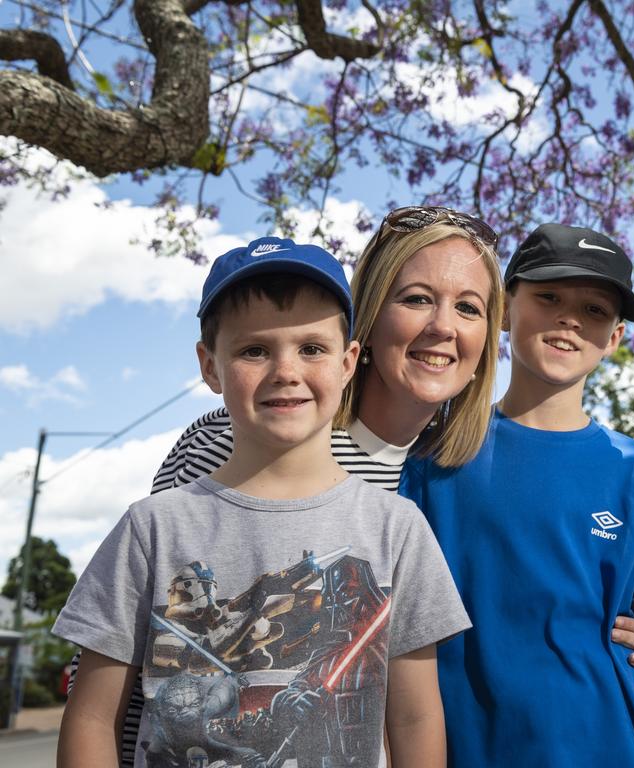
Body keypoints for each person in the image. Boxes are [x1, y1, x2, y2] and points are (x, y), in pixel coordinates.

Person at [66, 208, 634, 767]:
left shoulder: (462, 474)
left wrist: (615, 631)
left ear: (489, 336)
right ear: (367, 323)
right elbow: (144, 659)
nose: (442, 328)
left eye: (469, 308)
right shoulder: (233, 437)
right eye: (417, 299)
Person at [55, 237, 472, 767]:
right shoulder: (151, 528)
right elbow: (92, 716)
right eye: (254, 350)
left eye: (312, 348)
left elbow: (414, 717)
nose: (285, 371)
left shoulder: (398, 528)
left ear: (348, 362)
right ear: (210, 366)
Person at [401, 223, 634, 768]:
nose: (570, 318)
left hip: (621, 749)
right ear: (504, 308)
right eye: (549, 297)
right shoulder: (434, 461)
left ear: (614, 338)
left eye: (595, 310)